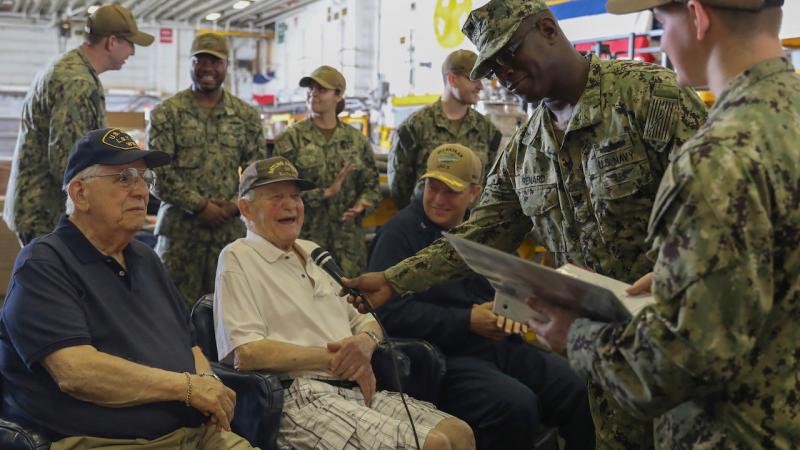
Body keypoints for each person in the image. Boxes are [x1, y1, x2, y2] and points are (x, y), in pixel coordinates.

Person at [344, 0, 707, 448]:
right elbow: (480, 233)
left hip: (678, 349)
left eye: (510, 54)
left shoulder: (649, 97)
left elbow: (718, 212)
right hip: (599, 354)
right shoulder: (525, 148)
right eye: (494, 67)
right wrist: (394, 280)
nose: (504, 74)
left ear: (549, 29)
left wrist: (676, 273)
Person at [526, 0, 799, 448]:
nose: (663, 40)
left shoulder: (716, 157)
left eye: (661, 21)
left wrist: (572, 333)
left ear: (697, 16)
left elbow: (676, 367)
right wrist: (687, 275)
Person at [0, 128, 256, 449]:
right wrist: (187, 388)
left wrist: (205, 379)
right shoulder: (43, 264)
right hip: (107, 442)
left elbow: (188, 346)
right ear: (80, 194)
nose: (140, 191)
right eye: (123, 178)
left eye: (143, 178)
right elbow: (77, 372)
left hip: (196, 435)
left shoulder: (145, 258)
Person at [213, 156, 475, 450]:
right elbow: (246, 353)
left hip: (356, 386)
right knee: (432, 444)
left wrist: (365, 342)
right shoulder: (238, 256)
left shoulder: (314, 253)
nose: (291, 205)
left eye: (296, 196)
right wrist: (334, 358)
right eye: (276, 197)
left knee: (459, 432)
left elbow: (366, 317)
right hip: (299, 397)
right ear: (246, 208)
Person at [369, 143, 594, 450]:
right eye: (431, 188)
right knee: (516, 406)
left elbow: (510, 282)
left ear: (474, 194)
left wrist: (508, 309)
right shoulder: (399, 233)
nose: (437, 199)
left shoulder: (484, 230)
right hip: (442, 356)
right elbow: (389, 314)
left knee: (577, 386)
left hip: (495, 344)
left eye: (450, 192)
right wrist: (466, 320)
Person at [3, 4, 153, 245]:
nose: (133, 52)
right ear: (111, 42)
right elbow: (68, 163)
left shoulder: (70, 68)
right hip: (48, 213)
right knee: (50, 282)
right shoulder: (77, 81)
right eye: (130, 43)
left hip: (42, 207)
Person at [149, 32, 264, 305]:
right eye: (200, 60)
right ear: (190, 63)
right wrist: (200, 205)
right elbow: (156, 175)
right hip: (179, 238)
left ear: (227, 66)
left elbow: (257, 174)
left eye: (216, 61)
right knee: (171, 312)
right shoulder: (167, 113)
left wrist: (235, 206)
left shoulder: (246, 117)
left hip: (227, 236)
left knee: (229, 313)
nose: (208, 68)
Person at [273, 66, 381, 276]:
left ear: (338, 95)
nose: (313, 93)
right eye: (311, 89)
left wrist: (362, 205)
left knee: (349, 304)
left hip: (348, 247)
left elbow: (372, 186)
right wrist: (324, 193)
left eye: (322, 89)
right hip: (304, 244)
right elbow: (278, 193)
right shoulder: (291, 140)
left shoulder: (356, 141)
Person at [388, 50, 502, 208]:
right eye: (473, 79)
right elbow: (399, 188)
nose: (480, 87)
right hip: (424, 226)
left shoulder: (488, 131)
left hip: (469, 228)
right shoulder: (415, 127)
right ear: (452, 79)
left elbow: (489, 184)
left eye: (481, 80)